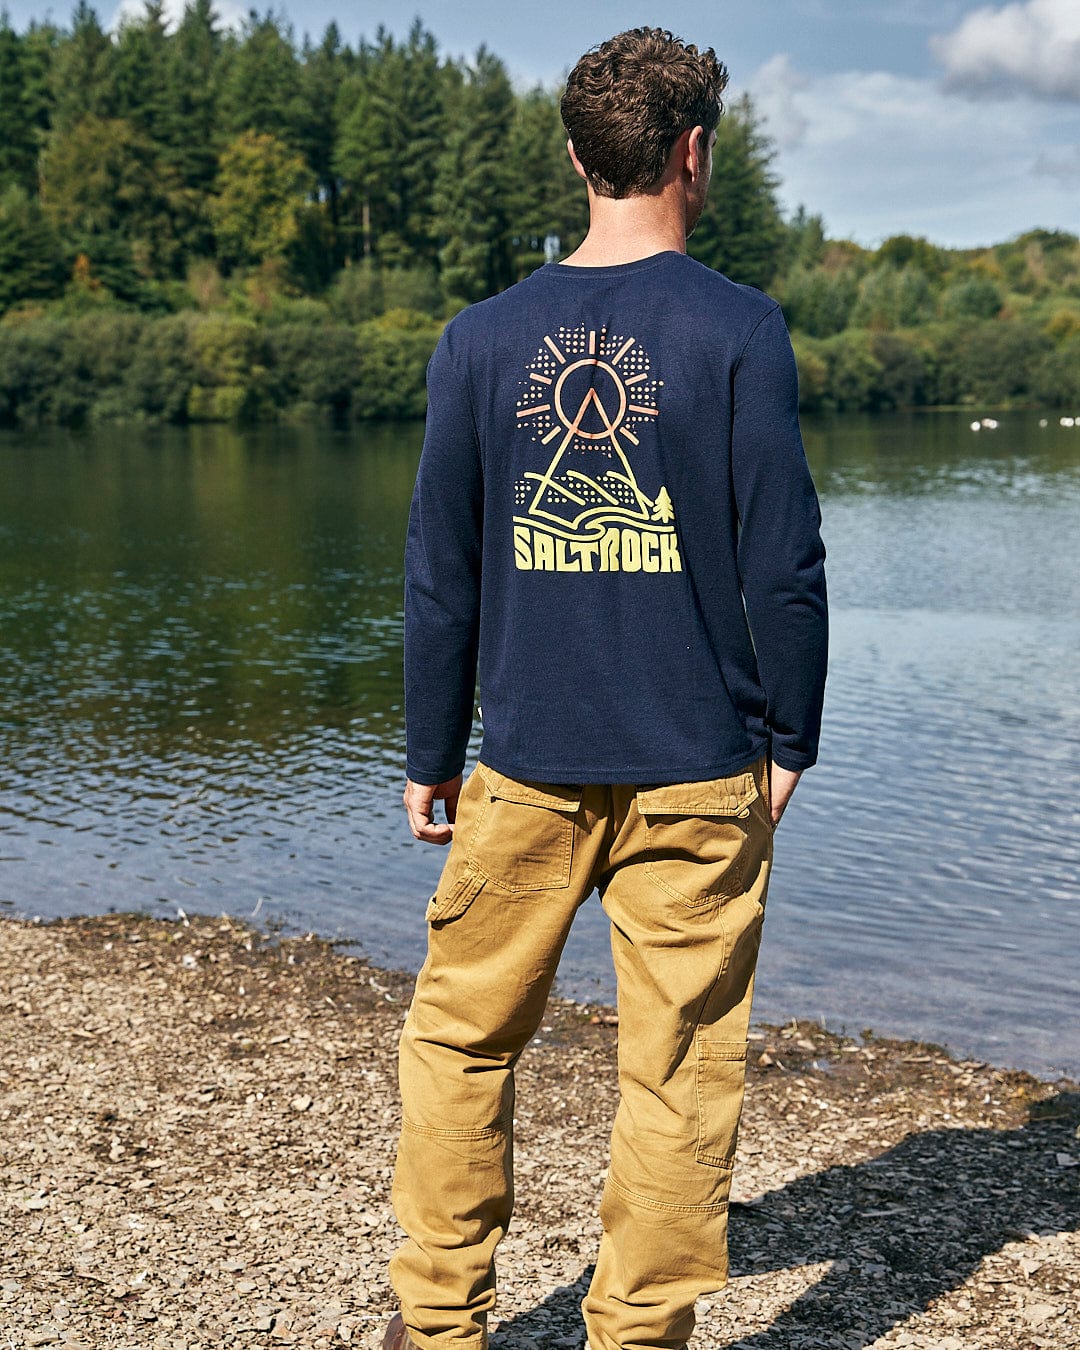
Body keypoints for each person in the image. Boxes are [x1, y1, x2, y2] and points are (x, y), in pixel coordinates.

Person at [386, 26, 828, 1350]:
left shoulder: (479, 341)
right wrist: (790, 735)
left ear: (578, 159)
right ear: (694, 153)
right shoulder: (742, 332)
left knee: (462, 1035)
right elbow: (787, 560)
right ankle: (637, 1332)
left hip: (521, 759)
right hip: (702, 759)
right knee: (679, 1066)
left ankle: (436, 1322)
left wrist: (429, 749)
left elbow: (439, 572)